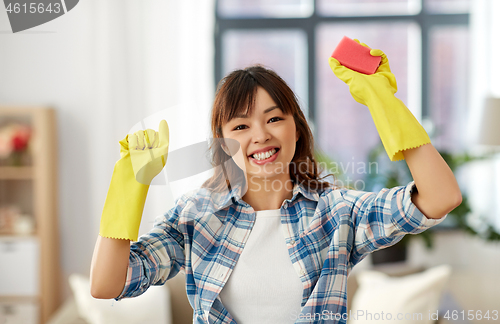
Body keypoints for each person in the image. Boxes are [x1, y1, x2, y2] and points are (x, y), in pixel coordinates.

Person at [90, 41, 462, 324]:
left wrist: (385, 103)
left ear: (297, 129)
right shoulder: (195, 215)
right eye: (240, 126)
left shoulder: (337, 213)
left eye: (274, 118)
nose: (260, 135)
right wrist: (129, 187)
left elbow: (441, 196)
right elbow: (107, 284)